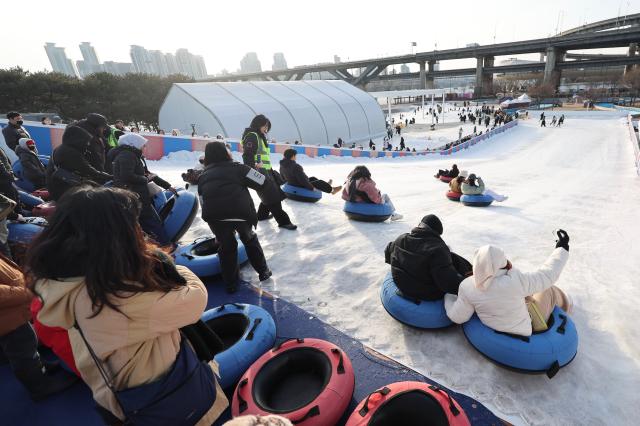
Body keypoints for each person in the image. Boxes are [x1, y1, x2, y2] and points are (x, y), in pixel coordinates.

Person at [29, 186, 228, 424]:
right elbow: (195, 299)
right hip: (169, 399)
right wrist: (175, 267)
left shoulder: (65, 282)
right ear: (115, 238)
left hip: (114, 396)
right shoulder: (118, 299)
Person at [445, 230, 572, 336]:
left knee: (524, 294)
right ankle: (566, 302)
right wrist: (562, 248)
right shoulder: (516, 280)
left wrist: (448, 297)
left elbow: (457, 317)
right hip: (525, 328)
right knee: (547, 289)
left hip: (494, 324)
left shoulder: (467, 286)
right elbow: (547, 275)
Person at [0, 254, 78, 400]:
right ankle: (39, 386)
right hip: (7, 317)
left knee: (27, 343)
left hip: (12, 312)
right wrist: (27, 291)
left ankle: (40, 367)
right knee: (22, 350)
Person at [199, 141, 272, 292]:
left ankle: (230, 284)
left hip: (215, 217)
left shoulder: (203, 175)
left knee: (226, 247)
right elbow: (263, 182)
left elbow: (202, 199)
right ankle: (263, 272)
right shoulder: (239, 168)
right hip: (240, 214)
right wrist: (259, 170)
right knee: (249, 239)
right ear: (226, 153)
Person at [107, 133, 177, 245]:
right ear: (134, 144)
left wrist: (167, 185)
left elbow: (148, 174)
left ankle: (159, 245)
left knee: (150, 222)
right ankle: (166, 246)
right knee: (151, 222)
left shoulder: (133, 155)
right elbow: (126, 176)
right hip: (134, 196)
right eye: (143, 145)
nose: (145, 147)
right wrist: (144, 179)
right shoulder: (127, 156)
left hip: (137, 195)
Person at [385, 215, 472, 301]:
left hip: (400, 282)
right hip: (424, 292)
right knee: (447, 258)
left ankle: (469, 270)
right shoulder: (438, 250)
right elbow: (448, 283)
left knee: (450, 256)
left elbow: (388, 250)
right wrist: (467, 287)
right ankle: (471, 273)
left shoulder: (402, 238)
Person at [241, 115, 296, 230]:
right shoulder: (252, 136)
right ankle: (284, 221)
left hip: (266, 170)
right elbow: (247, 155)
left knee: (268, 193)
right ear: (258, 124)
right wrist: (253, 169)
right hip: (259, 171)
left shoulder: (259, 136)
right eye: (265, 126)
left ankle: (261, 215)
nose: (266, 129)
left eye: (267, 127)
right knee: (272, 196)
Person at [45, 125, 113, 201]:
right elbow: (87, 169)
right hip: (61, 189)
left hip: (55, 185)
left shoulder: (62, 148)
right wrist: (109, 176)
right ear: (78, 140)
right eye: (86, 141)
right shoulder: (70, 152)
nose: (87, 144)